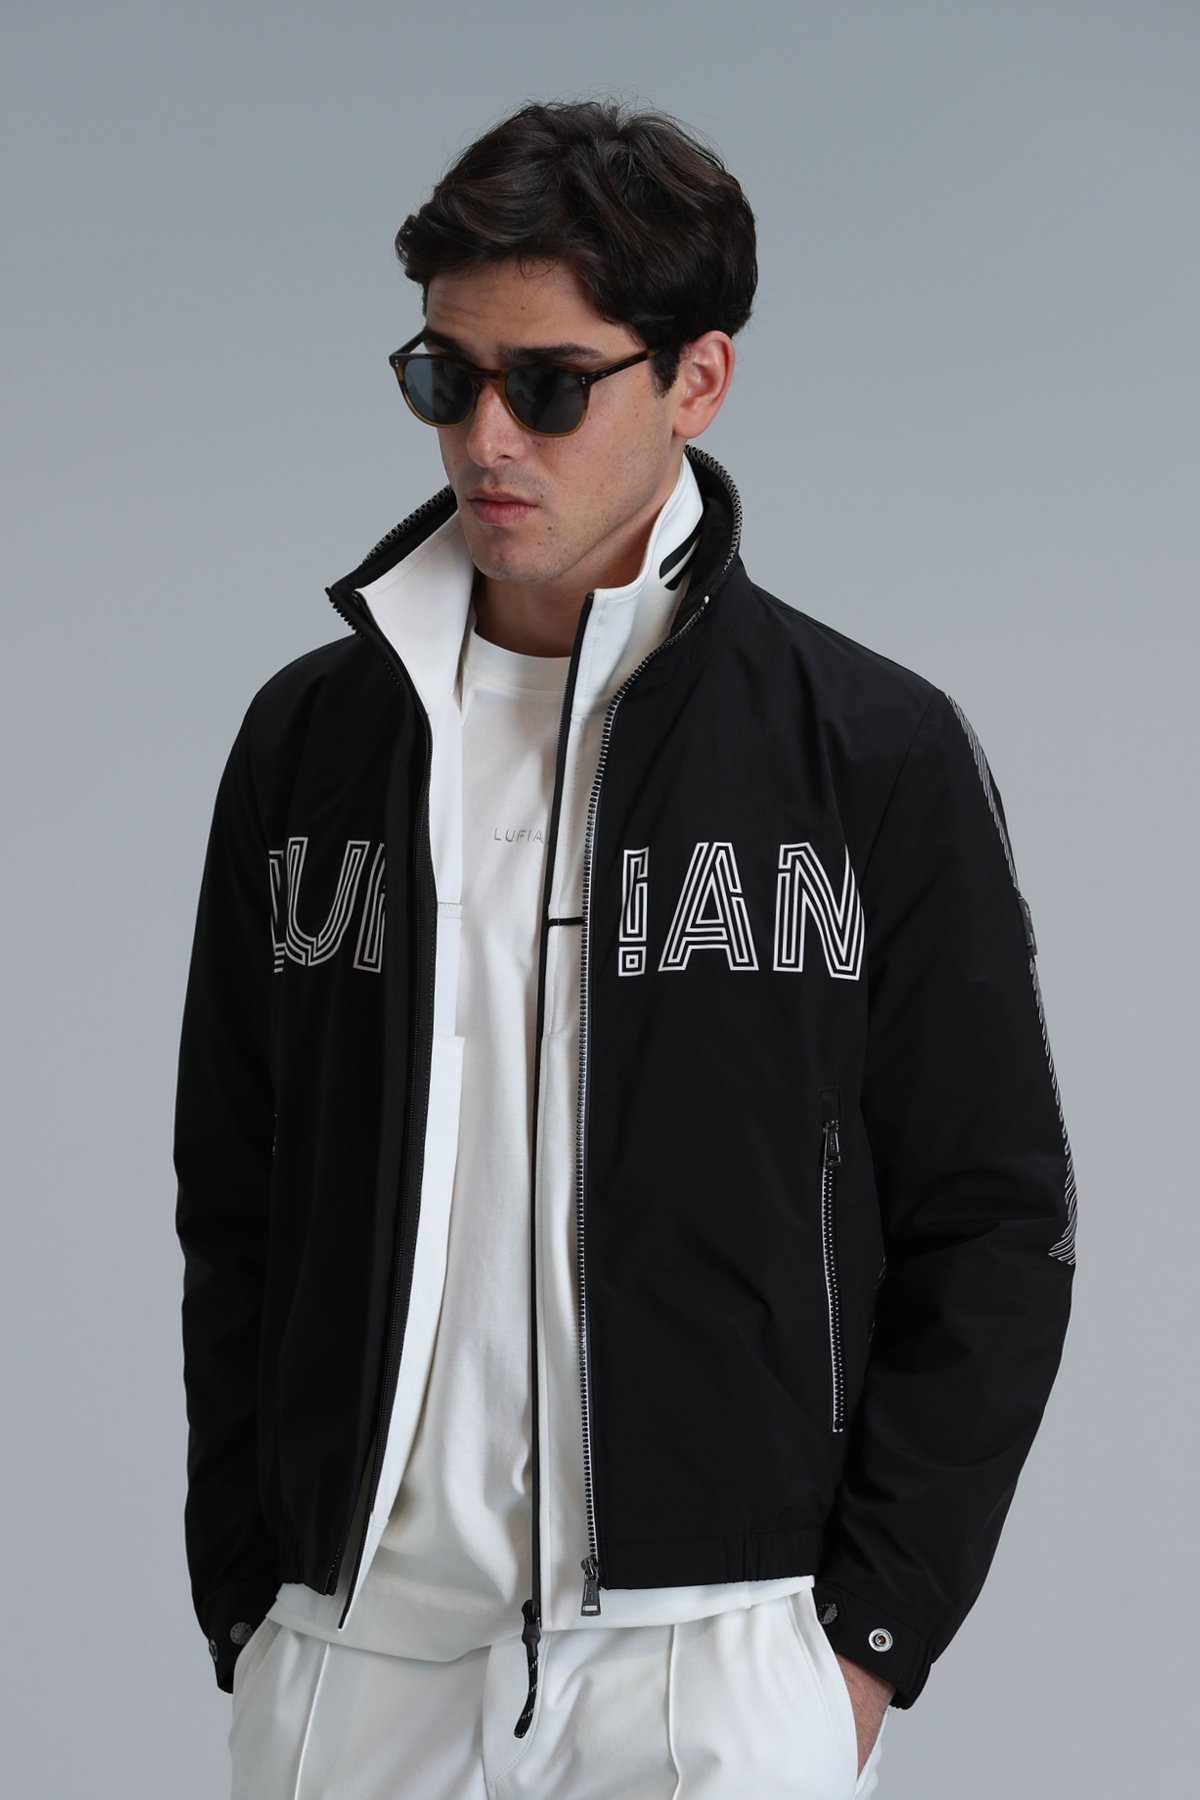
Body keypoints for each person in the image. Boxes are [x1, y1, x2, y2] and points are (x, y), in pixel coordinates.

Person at [173, 98, 1076, 1800]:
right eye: (444, 377)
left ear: (696, 379)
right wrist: (253, 1600)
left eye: (549, 384)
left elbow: (998, 1216)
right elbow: (234, 1197)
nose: (485, 437)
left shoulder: (868, 755)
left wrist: (861, 1644)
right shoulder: (310, 747)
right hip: (353, 1664)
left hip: (708, 1666)